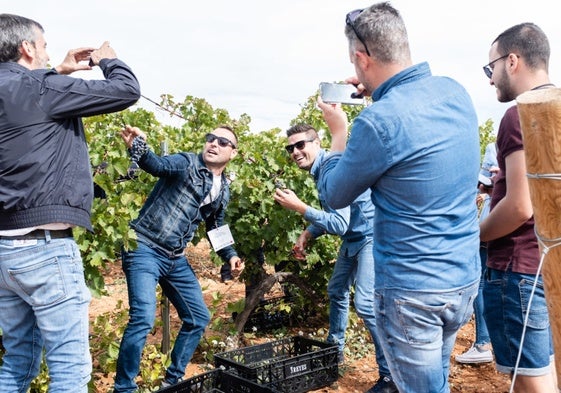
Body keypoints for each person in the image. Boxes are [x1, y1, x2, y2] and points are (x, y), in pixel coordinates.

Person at [316, 3, 481, 392]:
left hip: (413, 295)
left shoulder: (378, 121)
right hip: (461, 282)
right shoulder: (455, 91)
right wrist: (379, 95)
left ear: (361, 58)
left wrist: (339, 133)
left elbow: (334, 194)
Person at [0, 14, 140, 393]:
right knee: (70, 369)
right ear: (27, 48)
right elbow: (126, 91)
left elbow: (25, 97)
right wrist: (109, 59)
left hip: (4, 252)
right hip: (42, 249)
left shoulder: (19, 88)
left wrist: (57, 69)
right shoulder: (40, 88)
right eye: (43, 48)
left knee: (17, 361)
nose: (47, 55)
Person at [113, 125, 244, 392]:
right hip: (145, 248)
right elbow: (157, 165)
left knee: (197, 317)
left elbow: (215, 226)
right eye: (210, 138)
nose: (213, 144)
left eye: (222, 142)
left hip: (175, 258)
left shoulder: (222, 189)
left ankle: (171, 382)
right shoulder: (185, 163)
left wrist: (230, 255)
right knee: (142, 319)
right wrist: (139, 147)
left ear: (233, 152)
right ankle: (124, 388)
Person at [274, 123, 397, 392]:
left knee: (365, 304)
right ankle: (334, 351)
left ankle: (391, 375)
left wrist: (300, 207)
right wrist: (308, 233)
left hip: (371, 237)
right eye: (290, 147)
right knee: (337, 290)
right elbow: (337, 215)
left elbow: (339, 224)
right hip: (354, 238)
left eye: (301, 145)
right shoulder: (321, 171)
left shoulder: (330, 166)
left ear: (317, 142)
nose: (295, 152)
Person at [480, 22, 557, 392]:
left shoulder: (520, 114)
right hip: (549, 263)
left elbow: (519, 207)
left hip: (518, 269)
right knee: (550, 369)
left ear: (512, 61)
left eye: (490, 67)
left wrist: (474, 236)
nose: (490, 79)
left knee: (531, 382)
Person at [455, 142, 498, 364]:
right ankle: (494, 342)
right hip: (510, 227)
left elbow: (484, 183)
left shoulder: (497, 146)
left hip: (491, 224)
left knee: (480, 284)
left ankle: (483, 343)